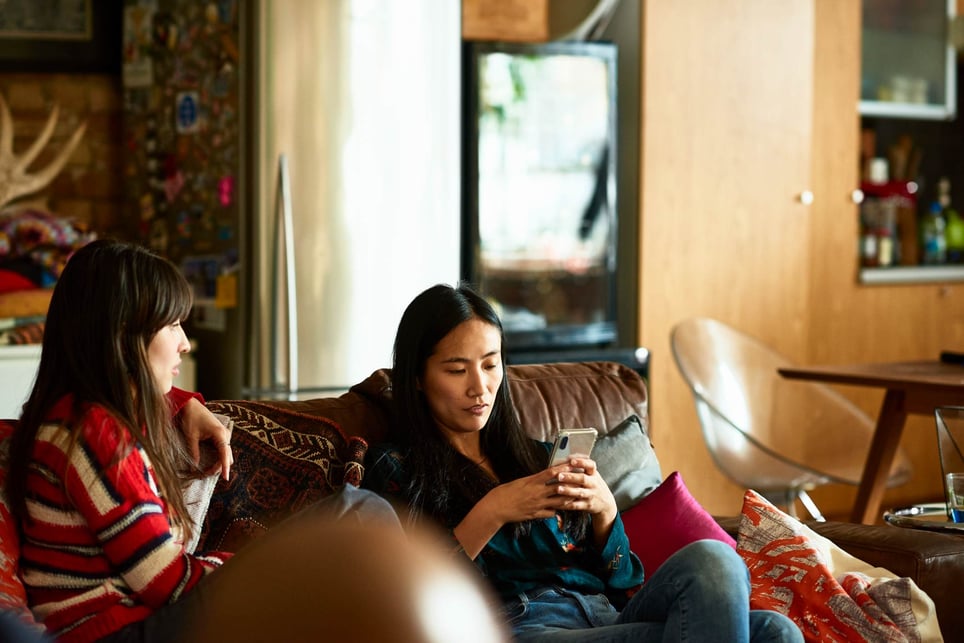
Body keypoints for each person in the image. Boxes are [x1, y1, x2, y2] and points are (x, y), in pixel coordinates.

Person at [5, 240, 498, 643]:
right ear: (124, 336)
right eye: (172, 324)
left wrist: (185, 402)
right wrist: (266, 562)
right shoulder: (98, 433)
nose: (184, 342)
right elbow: (166, 584)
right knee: (357, 512)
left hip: (125, 624)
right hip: (115, 633)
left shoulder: (70, 417)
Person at [364, 283, 804, 643]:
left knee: (744, 592)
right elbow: (420, 593)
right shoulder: (397, 468)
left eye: (490, 365)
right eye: (457, 371)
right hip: (525, 627)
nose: (480, 388)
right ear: (418, 378)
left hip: (606, 615)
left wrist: (605, 512)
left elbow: (623, 579)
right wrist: (494, 509)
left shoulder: (532, 456)